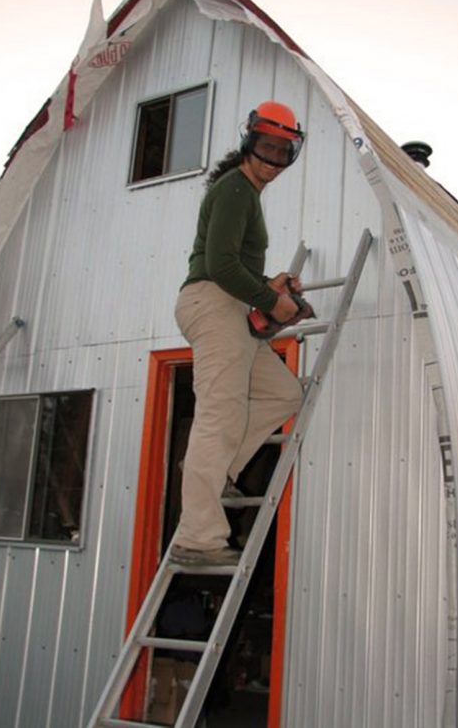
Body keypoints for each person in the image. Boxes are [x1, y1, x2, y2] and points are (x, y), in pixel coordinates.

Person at [169, 101, 306, 567]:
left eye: (283, 152)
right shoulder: (234, 190)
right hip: (212, 303)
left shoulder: (246, 195)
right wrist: (273, 303)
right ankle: (199, 539)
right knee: (219, 413)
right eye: (266, 147)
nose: (273, 160)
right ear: (249, 141)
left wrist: (272, 287)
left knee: (284, 393)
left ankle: (214, 469)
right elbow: (219, 267)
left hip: (225, 302)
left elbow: (234, 265)